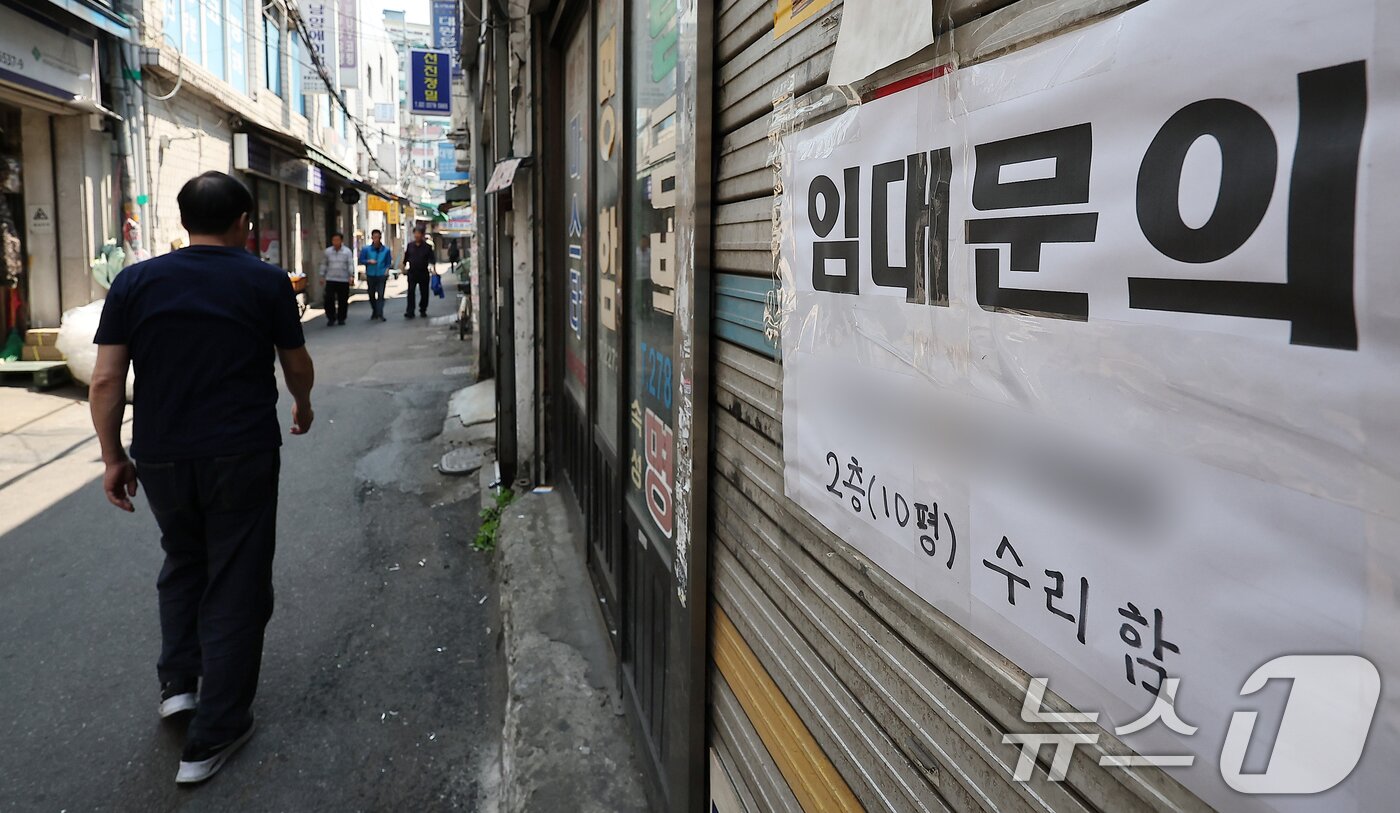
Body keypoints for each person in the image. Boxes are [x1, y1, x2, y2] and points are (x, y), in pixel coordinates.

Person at [89, 170, 316, 785]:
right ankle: (214, 733)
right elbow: (295, 361)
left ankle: (179, 684)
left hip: (161, 455)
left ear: (184, 220)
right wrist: (302, 403)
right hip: (239, 451)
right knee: (238, 578)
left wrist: (112, 456)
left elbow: (107, 379)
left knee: (185, 559)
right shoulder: (265, 279)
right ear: (244, 223)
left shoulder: (135, 281)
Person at [320, 232, 354, 326]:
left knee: (342, 300)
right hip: (331, 278)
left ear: (341, 241)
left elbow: (350, 264)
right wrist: (322, 276)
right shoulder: (328, 252)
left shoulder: (347, 252)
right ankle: (331, 317)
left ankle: (341, 318)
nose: (335, 242)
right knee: (329, 299)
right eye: (334, 240)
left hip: (343, 279)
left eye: (337, 240)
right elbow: (324, 264)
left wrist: (351, 276)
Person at [358, 229, 393, 321]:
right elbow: (361, 260)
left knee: (381, 295)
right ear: (372, 238)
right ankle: (375, 310)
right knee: (371, 295)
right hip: (371, 274)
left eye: (378, 237)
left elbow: (388, 262)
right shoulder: (366, 249)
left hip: (381, 275)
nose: (376, 239)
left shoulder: (386, 250)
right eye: (374, 237)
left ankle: (380, 313)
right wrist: (368, 261)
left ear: (380, 238)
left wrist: (386, 270)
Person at [402, 227, 435, 319]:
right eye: (415, 233)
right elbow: (406, 257)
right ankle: (410, 311)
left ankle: (423, 309)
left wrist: (433, 268)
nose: (417, 235)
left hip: (423, 272)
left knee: (424, 292)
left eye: (419, 234)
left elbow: (432, 259)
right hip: (412, 272)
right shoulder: (410, 246)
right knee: (411, 292)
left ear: (422, 235)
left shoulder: (427, 247)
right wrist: (404, 266)